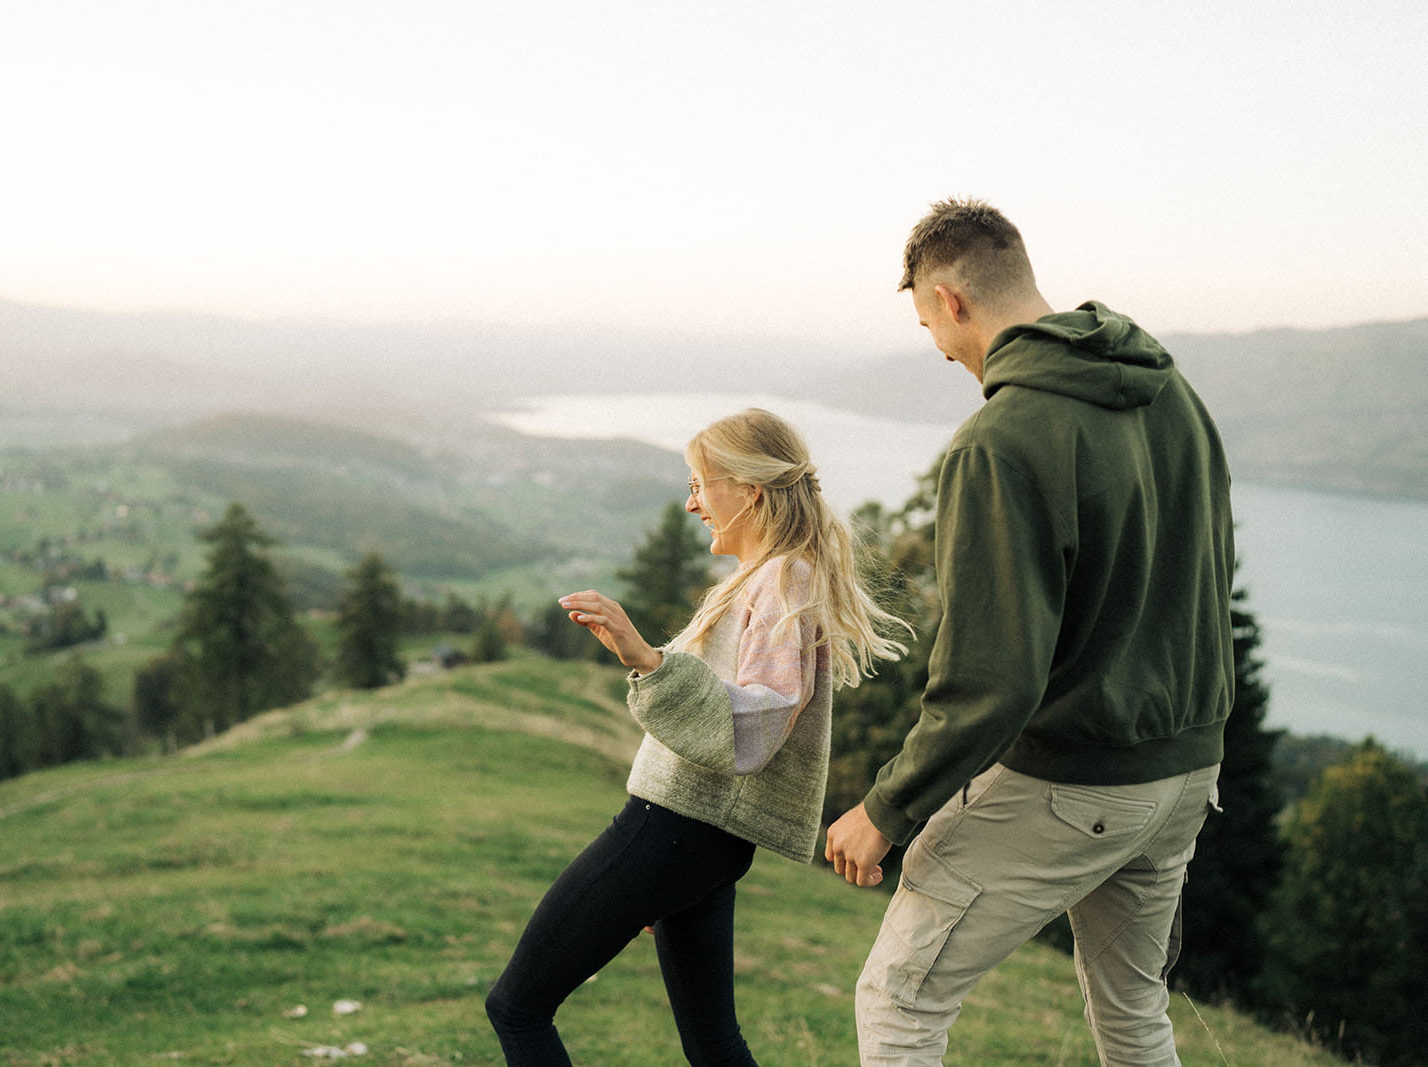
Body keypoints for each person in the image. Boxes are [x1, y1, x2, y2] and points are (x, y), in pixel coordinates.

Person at [824, 198, 1235, 1065]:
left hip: (1076, 779)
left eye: (928, 322)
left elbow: (991, 679)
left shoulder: (997, 443)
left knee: (898, 998)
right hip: (1187, 771)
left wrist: (886, 808)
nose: (939, 347)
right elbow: (1207, 574)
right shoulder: (1175, 396)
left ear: (953, 301)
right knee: (1132, 1012)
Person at [486, 408, 908, 1065]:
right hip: (699, 841)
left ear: (749, 491)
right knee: (713, 1042)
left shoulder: (782, 579)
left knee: (516, 1006)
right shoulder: (769, 574)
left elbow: (764, 718)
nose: (691, 503)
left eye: (698, 484)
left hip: (675, 827)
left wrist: (647, 659)